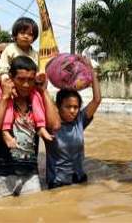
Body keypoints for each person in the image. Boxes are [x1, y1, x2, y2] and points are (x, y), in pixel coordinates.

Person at [0, 56, 61, 197]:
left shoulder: (37, 102)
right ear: (11, 78)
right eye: (21, 79)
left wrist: (44, 91)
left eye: (30, 80)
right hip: (1, 175)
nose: (26, 85)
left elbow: (55, 125)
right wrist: (5, 98)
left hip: (31, 174)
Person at [45, 57, 102, 189]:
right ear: (58, 107)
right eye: (68, 107)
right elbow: (44, 99)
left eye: (76, 107)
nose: (72, 111)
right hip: (57, 182)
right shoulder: (51, 124)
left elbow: (97, 100)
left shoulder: (79, 121)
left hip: (79, 178)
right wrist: (44, 86)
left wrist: (91, 71)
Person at [0, 17, 53, 148]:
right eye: (23, 33)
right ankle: (5, 132)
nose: (26, 36)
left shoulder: (35, 54)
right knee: (7, 104)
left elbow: (37, 71)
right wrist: (7, 84)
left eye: (30, 34)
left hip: (29, 87)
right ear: (15, 34)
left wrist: (40, 78)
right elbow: (2, 68)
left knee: (38, 100)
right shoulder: (10, 49)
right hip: (8, 84)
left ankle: (41, 126)